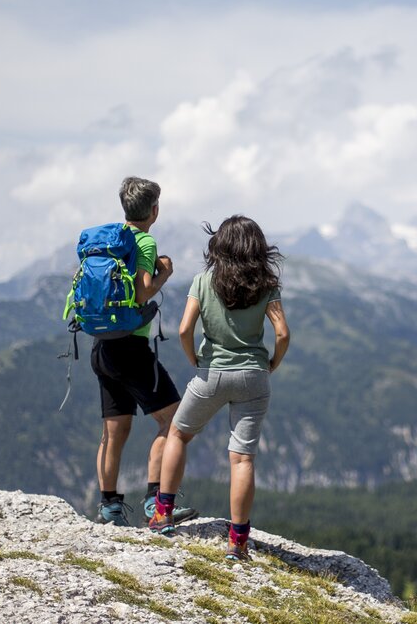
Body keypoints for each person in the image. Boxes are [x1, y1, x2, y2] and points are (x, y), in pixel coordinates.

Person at [149, 215, 290, 562]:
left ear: (219, 245)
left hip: (211, 373)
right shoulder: (266, 284)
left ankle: (162, 515)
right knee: (242, 458)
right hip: (254, 376)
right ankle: (237, 542)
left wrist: (194, 359)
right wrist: (272, 363)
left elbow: (184, 329)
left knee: (179, 435)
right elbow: (283, 333)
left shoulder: (203, 280)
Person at [90, 176, 198, 526]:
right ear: (154, 210)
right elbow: (141, 293)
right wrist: (164, 272)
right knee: (174, 420)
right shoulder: (144, 242)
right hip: (131, 349)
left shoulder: (107, 241)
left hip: (101, 347)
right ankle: (156, 504)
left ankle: (109, 509)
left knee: (114, 430)